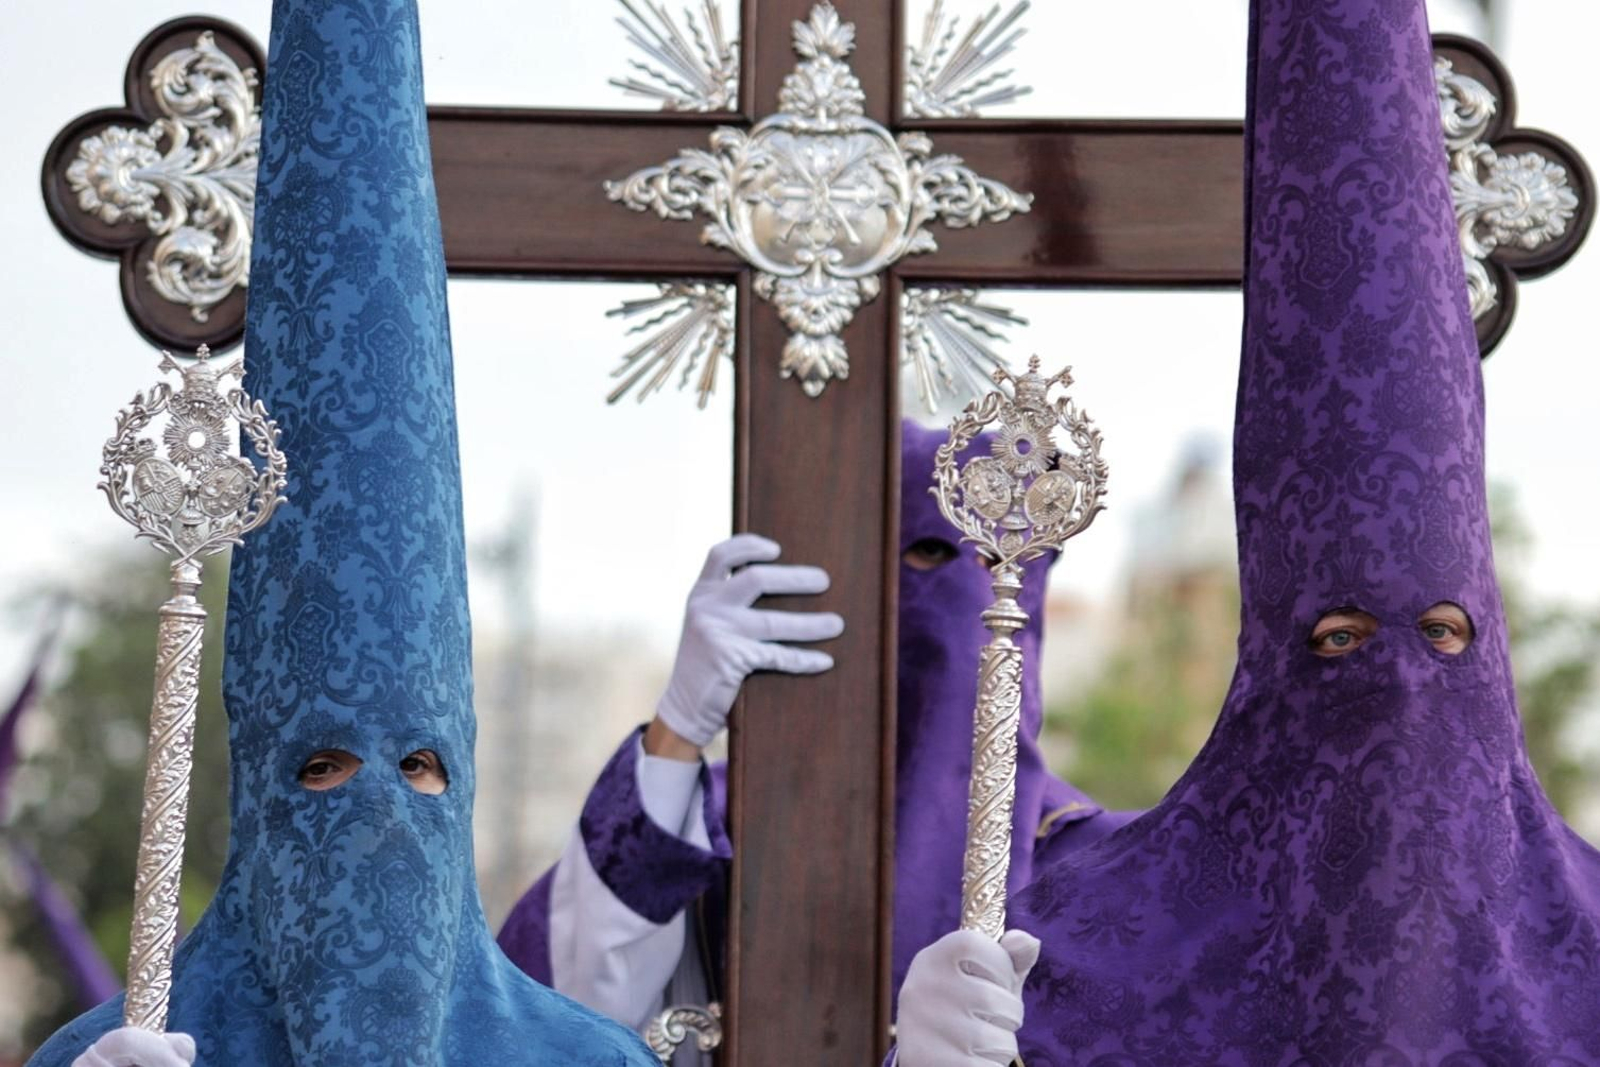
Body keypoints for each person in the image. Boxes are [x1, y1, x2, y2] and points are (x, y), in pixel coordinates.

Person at [894, 0, 1600, 1062]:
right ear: (1265, 661)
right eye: (1340, 641)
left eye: (1444, 635)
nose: (1398, 687)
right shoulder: (1077, 952)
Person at [29, 1, 658, 1063]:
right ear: (260, 779)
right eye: (321, 764)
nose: (380, 806)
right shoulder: (130, 1046)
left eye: (422, 766)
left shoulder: (585, 1059)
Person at [496, 421, 1136, 1058]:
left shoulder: (1104, 872)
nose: (977, 598)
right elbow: (562, 1008)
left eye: (1004, 563)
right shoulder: (712, 824)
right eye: (931, 552)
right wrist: (677, 732)